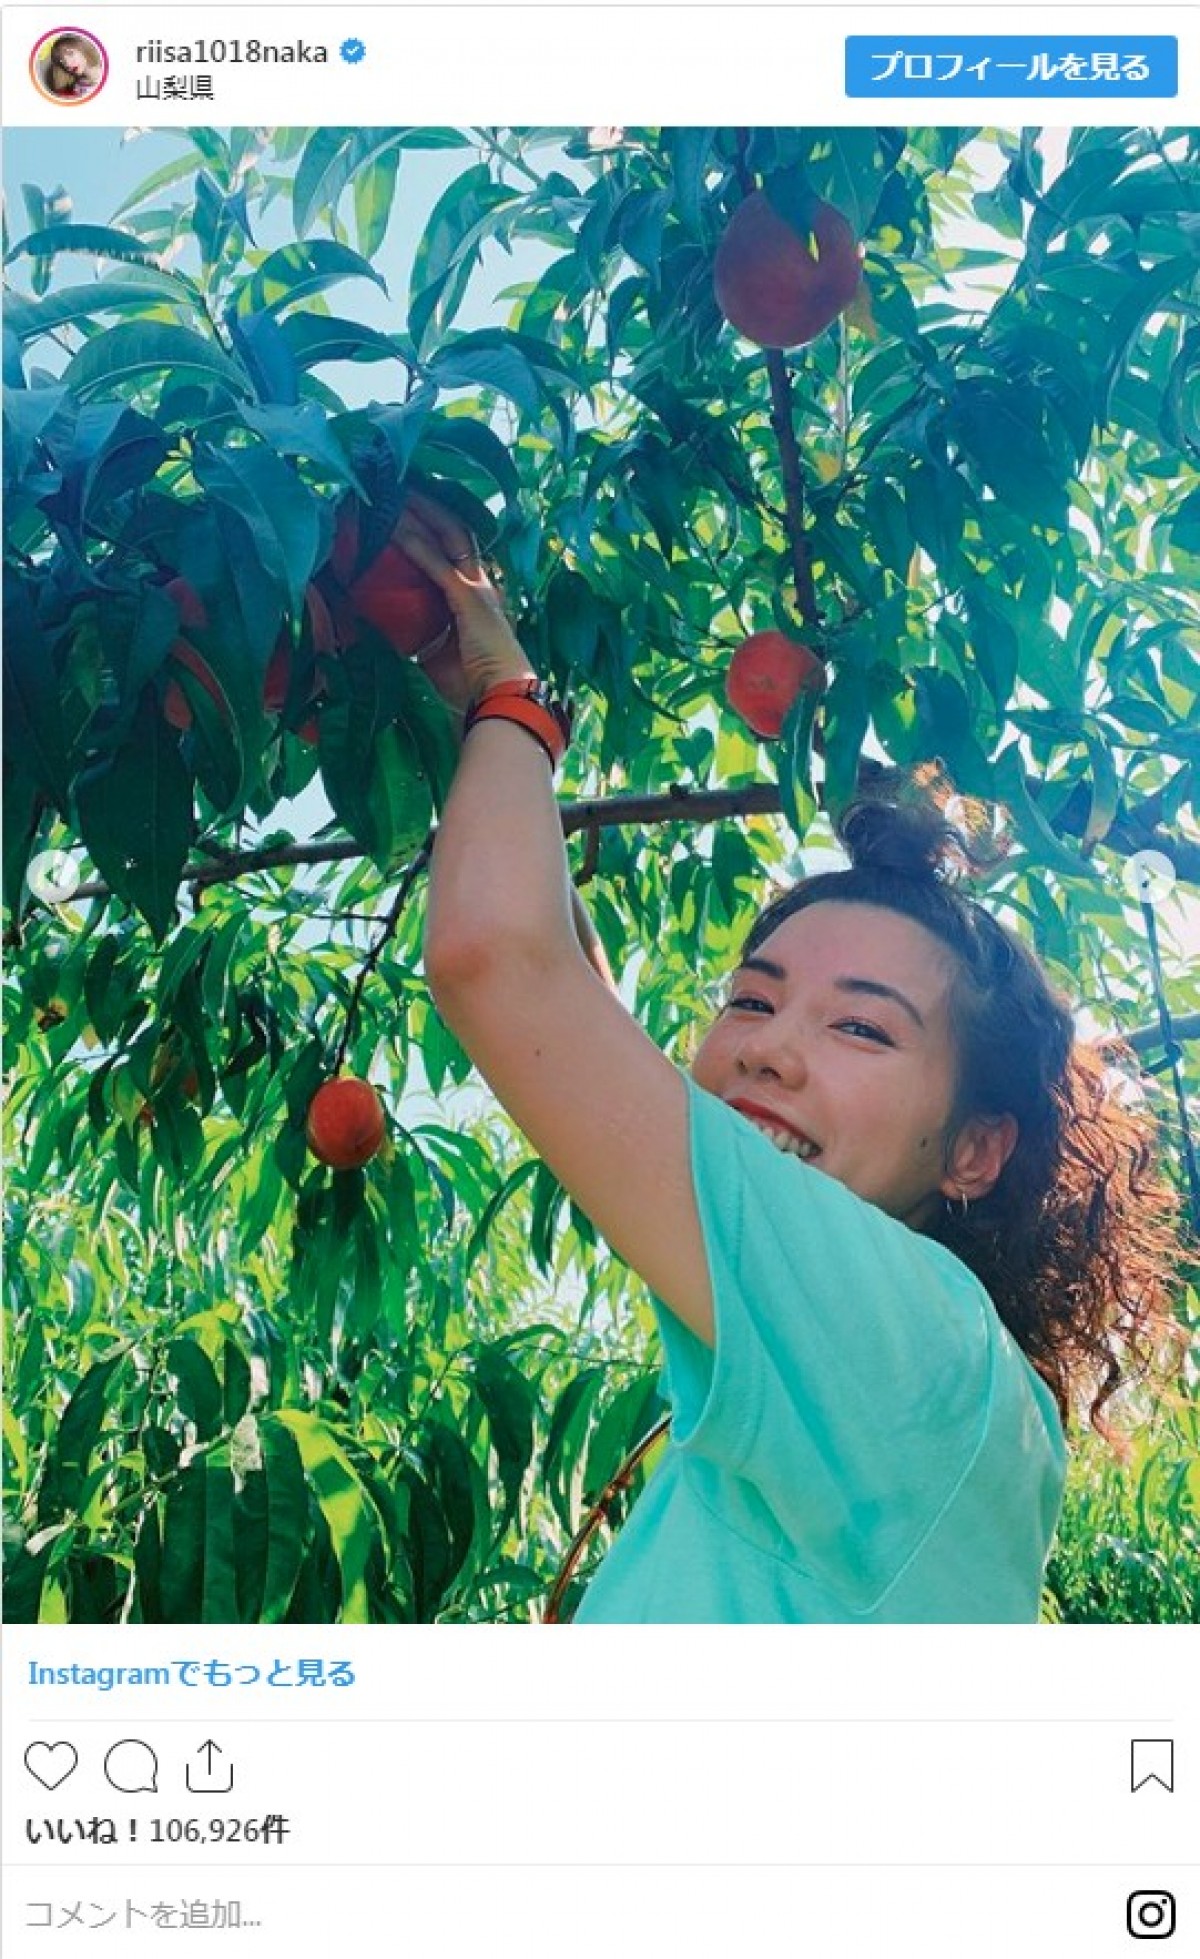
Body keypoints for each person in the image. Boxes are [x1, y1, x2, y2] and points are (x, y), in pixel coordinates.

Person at [400, 490, 1182, 1624]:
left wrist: (508, 701)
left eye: (862, 1026)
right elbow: (578, 1014)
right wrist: (502, 744)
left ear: (976, 1149)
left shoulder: (916, 1344)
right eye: (750, 1000)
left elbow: (499, 964)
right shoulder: (906, 1379)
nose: (767, 1049)